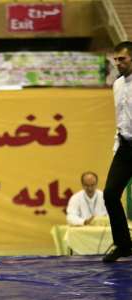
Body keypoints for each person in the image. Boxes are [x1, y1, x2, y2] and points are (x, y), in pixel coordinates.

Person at [102, 41, 132, 262]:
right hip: (125, 146)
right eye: (116, 59)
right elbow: (120, 120)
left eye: (123, 59)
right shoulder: (117, 85)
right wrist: (116, 147)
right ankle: (123, 244)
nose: (118, 63)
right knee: (111, 194)